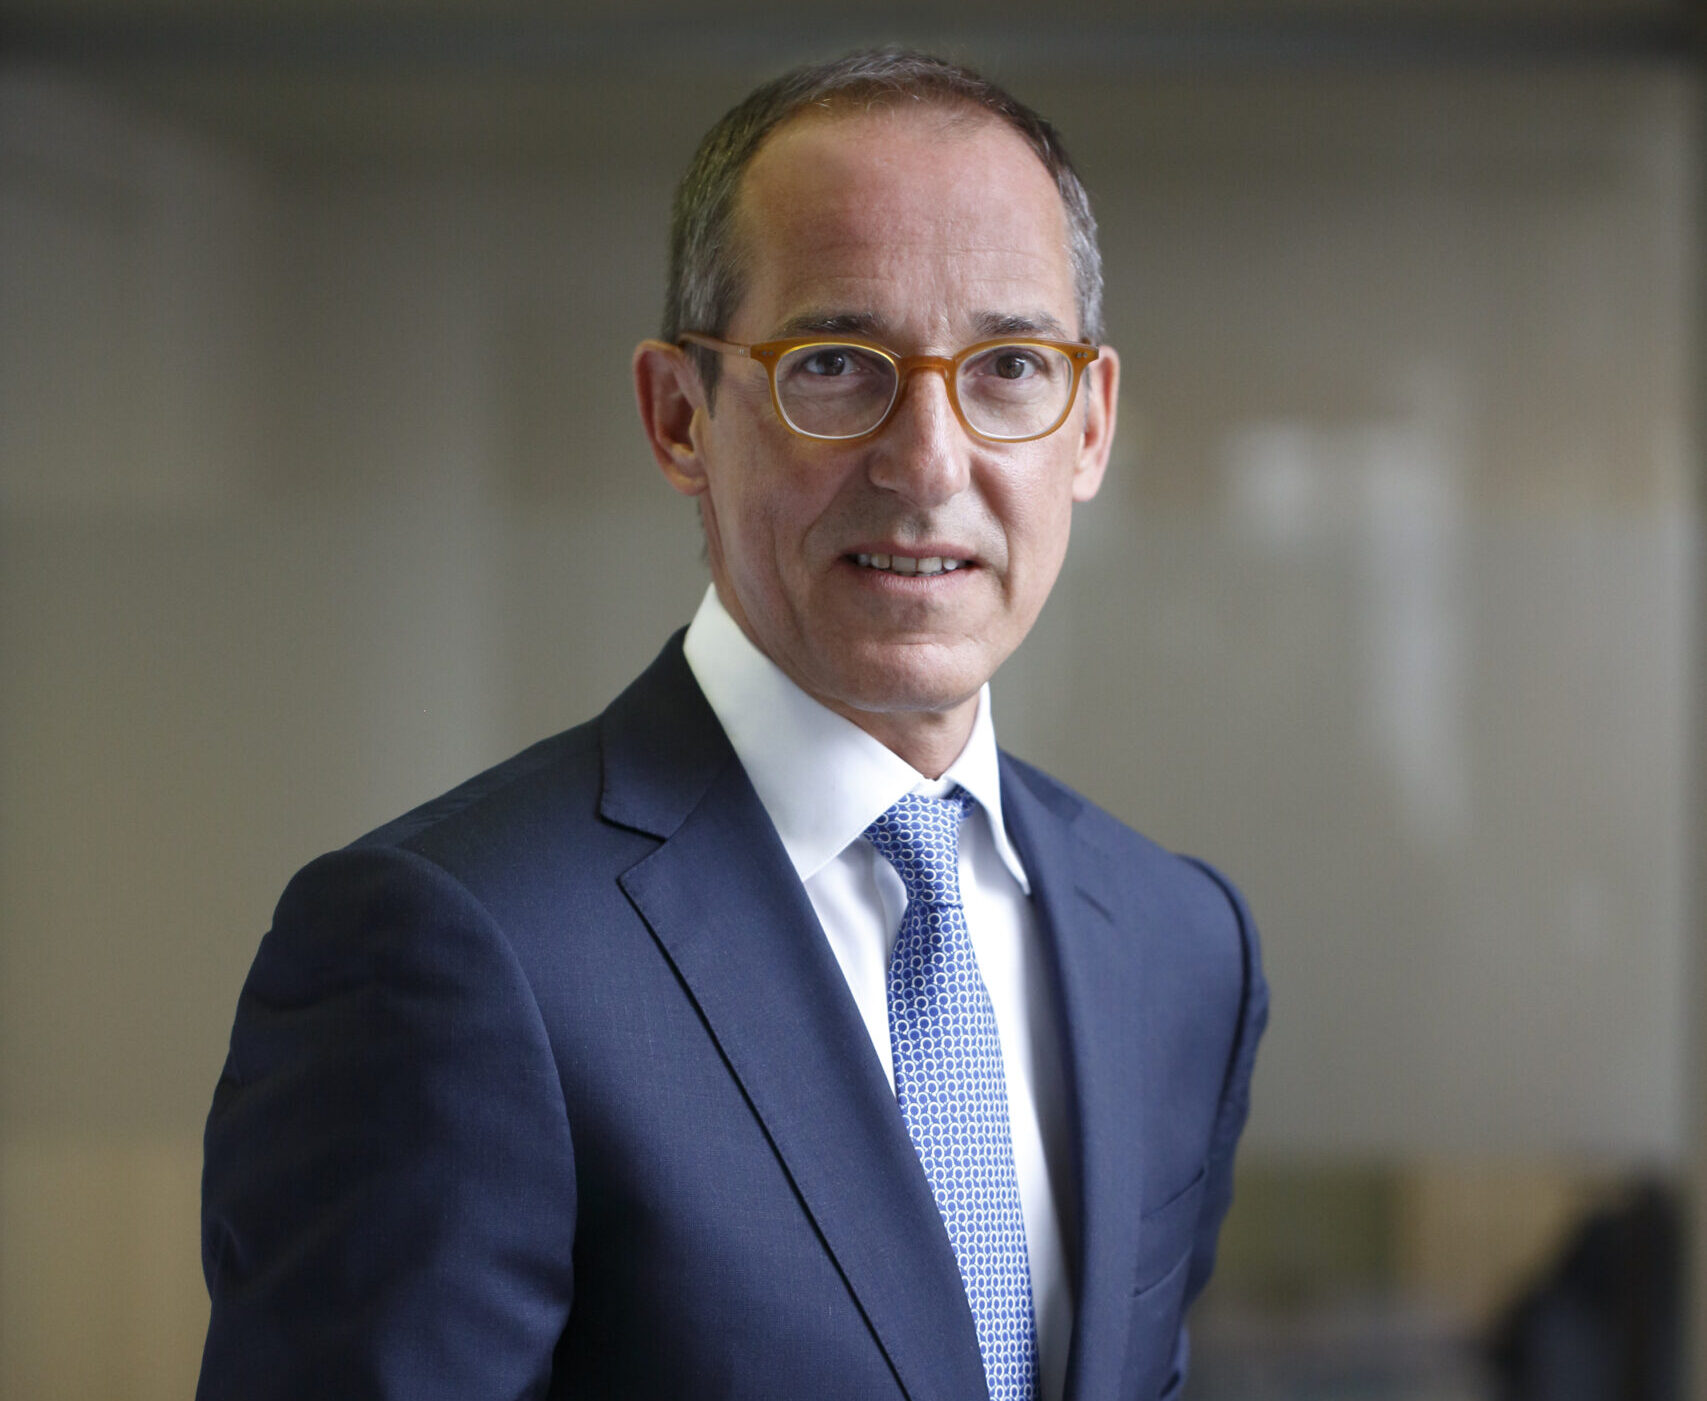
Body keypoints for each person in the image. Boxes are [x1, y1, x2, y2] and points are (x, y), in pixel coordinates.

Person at [196, 48, 1266, 1401]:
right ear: (678, 416)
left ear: (1090, 424)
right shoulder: (444, 951)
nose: (929, 462)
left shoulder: (1178, 946)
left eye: (1008, 366)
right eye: (836, 364)